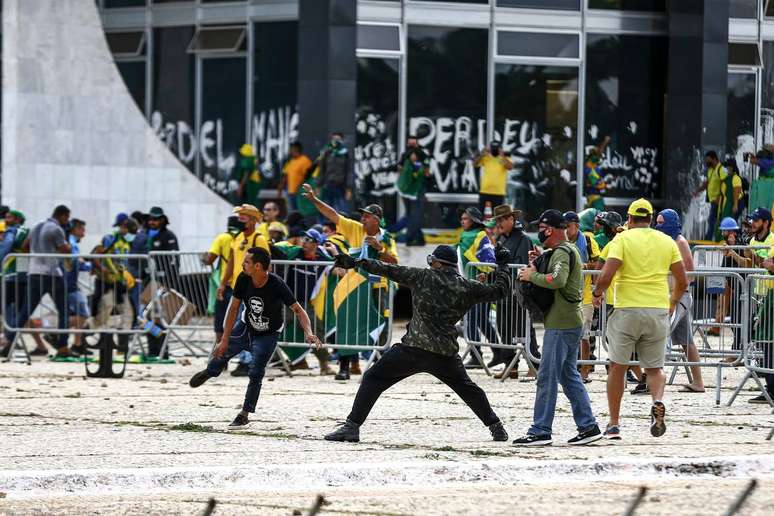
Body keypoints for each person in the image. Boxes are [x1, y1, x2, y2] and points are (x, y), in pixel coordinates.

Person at [323, 244, 511, 443]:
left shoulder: (422, 276)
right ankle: (496, 427)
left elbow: (387, 269)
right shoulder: (467, 286)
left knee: (372, 378)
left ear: (436, 262)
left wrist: (355, 263)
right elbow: (500, 290)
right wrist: (503, 265)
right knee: (469, 390)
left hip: (413, 349)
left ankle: (352, 427)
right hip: (445, 353)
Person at [189, 247, 322, 429]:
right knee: (221, 353)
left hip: (268, 334)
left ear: (258, 266)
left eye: (246, 262)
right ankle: (210, 371)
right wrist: (224, 339)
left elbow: (298, 310)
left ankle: (244, 413)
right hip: (245, 327)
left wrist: (308, 332)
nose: (242, 264)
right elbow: (233, 308)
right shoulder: (243, 278)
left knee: (256, 372)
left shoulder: (277, 284)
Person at [592, 199, 687, 440]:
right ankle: (657, 400)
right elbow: (682, 280)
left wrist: (597, 293)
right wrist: (672, 302)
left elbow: (606, 273)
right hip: (657, 309)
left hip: (627, 310)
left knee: (617, 367)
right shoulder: (667, 242)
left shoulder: (622, 239)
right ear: (652, 219)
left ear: (630, 218)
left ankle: (614, 424)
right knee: (655, 369)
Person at [512, 210, 601, 446]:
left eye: (540, 228)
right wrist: (539, 261)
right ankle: (588, 426)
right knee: (568, 375)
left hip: (561, 324)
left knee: (547, 376)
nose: (538, 232)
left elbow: (558, 280)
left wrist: (532, 277)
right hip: (568, 321)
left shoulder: (562, 252)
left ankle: (540, 430)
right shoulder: (563, 251)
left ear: (549, 229)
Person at [302, 184, 397, 380]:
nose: (362, 218)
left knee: (380, 326)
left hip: (378, 287)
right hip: (353, 286)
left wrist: (380, 249)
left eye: (367, 216)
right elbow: (333, 214)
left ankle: (379, 367)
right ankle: (345, 367)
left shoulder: (387, 238)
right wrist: (313, 200)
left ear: (377, 219)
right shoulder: (355, 229)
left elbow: (394, 262)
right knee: (347, 323)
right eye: (362, 216)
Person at [6, 205, 75, 358]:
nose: (67, 221)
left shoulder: (37, 225)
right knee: (63, 310)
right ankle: (63, 346)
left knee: (25, 311)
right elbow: (65, 249)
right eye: (67, 218)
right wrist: (66, 246)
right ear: (63, 216)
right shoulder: (56, 229)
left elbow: (25, 247)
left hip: (34, 272)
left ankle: (9, 342)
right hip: (51, 273)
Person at [217, 204, 271, 376]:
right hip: (238, 288)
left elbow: (266, 265)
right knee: (238, 325)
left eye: (243, 216)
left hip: (253, 289)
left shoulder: (259, 239)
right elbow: (232, 262)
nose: (239, 219)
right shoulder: (238, 237)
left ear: (253, 220)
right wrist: (223, 282)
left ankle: (247, 362)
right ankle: (241, 360)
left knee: (247, 326)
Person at [655, 209, 705, 393]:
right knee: (687, 342)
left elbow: (690, 274)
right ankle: (698, 382)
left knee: (660, 334)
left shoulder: (680, 242)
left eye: (661, 222)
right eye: (657, 222)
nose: (658, 225)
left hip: (679, 297)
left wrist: (674, 293)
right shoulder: (665, 242)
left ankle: (652, 377)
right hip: (670, 295)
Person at [273, 228, 335, 375]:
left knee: (316, 330)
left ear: (316, 244)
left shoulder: (322, 258)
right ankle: (297, 360)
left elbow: (338, 266)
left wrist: (334, 252)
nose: (304, 242)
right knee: (277, 327)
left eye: (308, 240)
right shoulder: (295, 252)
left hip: (305, 302)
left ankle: (324, 364)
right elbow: (277, 250)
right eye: (303, 238)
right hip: (287, 300)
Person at [490, 204, 538, 377]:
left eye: (503, 219)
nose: (500, 223)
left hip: (518, 292)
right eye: (498, 220)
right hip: (503, 291)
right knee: (504, 329)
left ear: (512, 219)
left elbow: (522, 264)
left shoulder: (523, 239)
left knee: (524, 329)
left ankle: (534, 364)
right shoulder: (501, 239)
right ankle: (511, 366)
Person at [457, 207, 497, 368]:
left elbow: (489, 261)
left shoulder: (480, 235)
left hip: (480, 287)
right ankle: (501, 351)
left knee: (472, 321)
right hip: (472, 286)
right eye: (462, 218)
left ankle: (476, 355)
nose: (462, 221)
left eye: (465, 218)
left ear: (473, 220)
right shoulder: (467, 236)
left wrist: (485, 274)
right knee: (481, 321)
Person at [565, 211, 600, 382]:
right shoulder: (561, 241)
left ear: (576, 225)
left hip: (585, 294)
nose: (565, 229)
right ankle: (570, 367)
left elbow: (599, 264)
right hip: (567, 294)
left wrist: (585, 265)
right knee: (567, 333)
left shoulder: (587, 240)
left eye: (568, 226)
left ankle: (585, 368)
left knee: (584, 335)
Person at [204, 216, 243, 344]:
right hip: (242, 284)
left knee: (221, 320)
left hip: (225, 285)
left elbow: (210, 259)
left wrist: (204, 258)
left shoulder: (222, 238)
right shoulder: (243, 239)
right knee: (239, 320)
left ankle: (220, 353)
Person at [394, 135, 431, 246]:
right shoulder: (404, 156)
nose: (412, 147)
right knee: (411, 214)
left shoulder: (423, 155)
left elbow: (427, 172)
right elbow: (399, 170)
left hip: (418, 190)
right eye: (410, 144)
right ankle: (416, 238)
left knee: (416, 214)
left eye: (413, 144)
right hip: (407, 190)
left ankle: (413, 238)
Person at [64, 219, 91, 355]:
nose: (84, 234)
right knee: (83, 314)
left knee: (78, 314)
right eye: (82, 230)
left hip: (69, 283)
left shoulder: (70, 241)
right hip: (69, 284)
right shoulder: (71, 242)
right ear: (74, 229)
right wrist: (92, 266)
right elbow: (75, 262)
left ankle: (78, 343)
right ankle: (55, 331)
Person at [314, 132, 352, 214]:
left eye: (338, 139)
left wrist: (349, 188)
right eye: (334, 139)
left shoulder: (345, 153)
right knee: (326, 209)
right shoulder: (327, 152)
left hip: (341, 186)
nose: (336, 141)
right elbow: (322, 170)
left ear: (342, 141)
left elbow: (349, 171)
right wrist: (318, 186)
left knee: (342, 210)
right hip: (328, 185)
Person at [694, 151, 727, 241]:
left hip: (719, 200)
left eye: (709, 160)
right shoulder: (711, 170)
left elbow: (725, 183)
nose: (707, 163)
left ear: (714, 159)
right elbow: (708, 183)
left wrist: (720, 196)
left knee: (713, 220)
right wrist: (698, 190)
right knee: (712, 220)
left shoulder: (721, 169)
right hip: (713, 200)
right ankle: (711, 238)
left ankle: (709, 238)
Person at [475, 141, 513, 217]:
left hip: (498, 192)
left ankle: (497, 229)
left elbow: (510, 167)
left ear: (500, 149)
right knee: (479, 215)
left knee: (497, 217)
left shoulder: (505, 158)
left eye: (496, 149)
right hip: (485, 190)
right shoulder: (486, 157)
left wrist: (502, 155)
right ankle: (480, 229)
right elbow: (475, 164)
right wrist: (482, 154)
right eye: (493, 149)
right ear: (490, 149)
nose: (495, 151)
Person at [277, 141, 313, 212]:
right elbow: (285, 175)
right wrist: (280, 187)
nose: (290, 151)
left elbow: (308, 177)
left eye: (291, 149)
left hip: (300, 192)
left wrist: (300, 188)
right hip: (290, 191)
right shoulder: (291, 161)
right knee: (291, 211)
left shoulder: (305, 160)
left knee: (301, 211)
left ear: (296, 149)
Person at [583, 136, 610, 211]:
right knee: (600, 217)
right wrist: (604, 185)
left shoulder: (594, 166)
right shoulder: (588, 169)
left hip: (594, 196)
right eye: (596, 155)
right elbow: (595, 183)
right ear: (591, 156)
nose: (598, 157)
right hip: (594, 197)